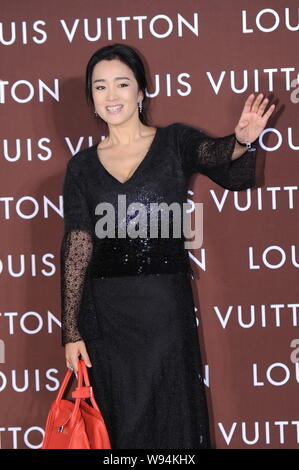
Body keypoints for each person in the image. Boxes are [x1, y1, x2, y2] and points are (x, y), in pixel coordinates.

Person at [60, 43, 275, 449]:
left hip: (164, 309)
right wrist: (71, 330)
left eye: (122, 84)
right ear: (91, 99)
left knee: (172, 414)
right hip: (106, 317)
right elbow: (77, 245)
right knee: (118, 420)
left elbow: (221, 160)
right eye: (100, 87)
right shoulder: (82, 167)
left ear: (141, 92)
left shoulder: (175, 143)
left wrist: (242, 141)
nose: (111, 95)